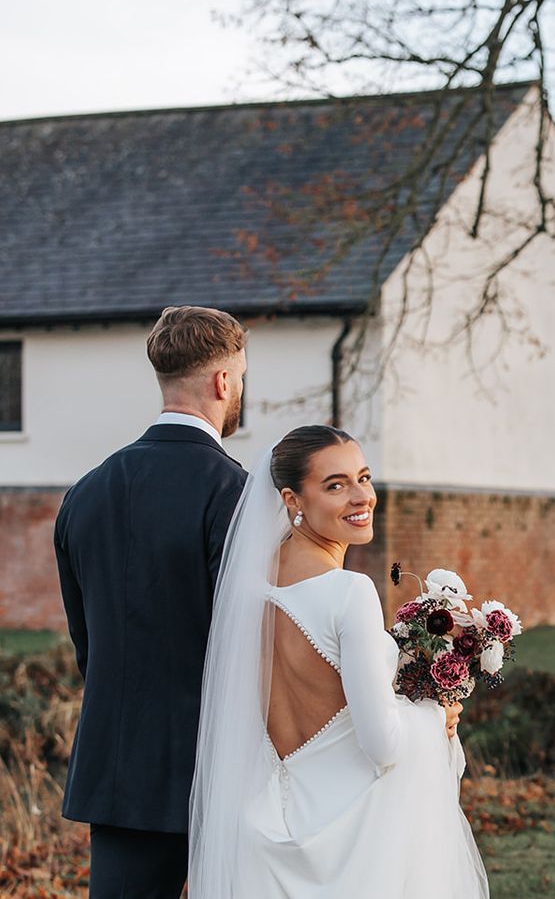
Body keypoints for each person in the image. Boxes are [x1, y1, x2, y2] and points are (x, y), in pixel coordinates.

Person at [188, 425, 489, 897]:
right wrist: (436, 713)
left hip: (261, 829)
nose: (360, 497)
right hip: (346, 848)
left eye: (363, 478)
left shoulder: (248, 582)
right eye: (335, 485)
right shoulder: (349, 592)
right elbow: (385, 745)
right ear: (292, 500)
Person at [54, 305, 248, 899]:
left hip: (118, 769)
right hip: (214, 765)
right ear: (221, 382)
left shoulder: (85, 493)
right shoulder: (235, 493)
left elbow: (88, 645)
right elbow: (245, 640)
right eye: (241, 378)